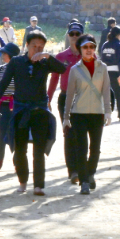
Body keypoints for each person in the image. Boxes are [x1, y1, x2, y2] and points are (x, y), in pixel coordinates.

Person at [0, 30, 65, 196]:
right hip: (20, 109)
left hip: (39, 110)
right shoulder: (16, 62)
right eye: (34, 46)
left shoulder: (45, 63)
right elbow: (3, 83)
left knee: (39, 149)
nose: (37, 49)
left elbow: (62, 69)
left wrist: (47, 56)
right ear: (26, 46)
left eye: (41, 47)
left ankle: (38, 185)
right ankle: (22, 182)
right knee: (19, 148)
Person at [63, 34, 112, 195]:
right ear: (80, 49)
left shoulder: (102, 67)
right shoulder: (75, 70)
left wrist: (108, 112)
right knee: (81, 148)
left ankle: (90, 173)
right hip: (79, 114)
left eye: (91, 47)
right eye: (85, 47)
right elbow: (69, 95)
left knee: (95, 148)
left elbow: (106, 92)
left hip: (97, 113)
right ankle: (84, 181)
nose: (89, 50)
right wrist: (66, 117)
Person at [47, 21, 83, 183]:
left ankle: (82, 168)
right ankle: (73, 171)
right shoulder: (61, 57)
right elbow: (54, 78)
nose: (74, 37)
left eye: (78, 34)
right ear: (68, 36)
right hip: (65, 98)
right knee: (69, 133)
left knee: (82, 133)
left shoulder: (89, 54)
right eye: (72, 34)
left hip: (84, 98)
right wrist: (47, 99)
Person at [0, 43, 20, 170]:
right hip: (3, 105)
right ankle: (0, 156)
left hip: (18, 105)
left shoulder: (21, 69)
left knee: (17, 133)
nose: (2, 56)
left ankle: (18, 158)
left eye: (4, 53)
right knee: (2, 133)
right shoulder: (0, 69)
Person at [101, 26, 120, 121]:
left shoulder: (105, 45)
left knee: (107, 94)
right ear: (119, 35)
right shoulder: (119, 45)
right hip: (118, 73)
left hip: (106, 73)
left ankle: (104, 114)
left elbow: (102, 60)